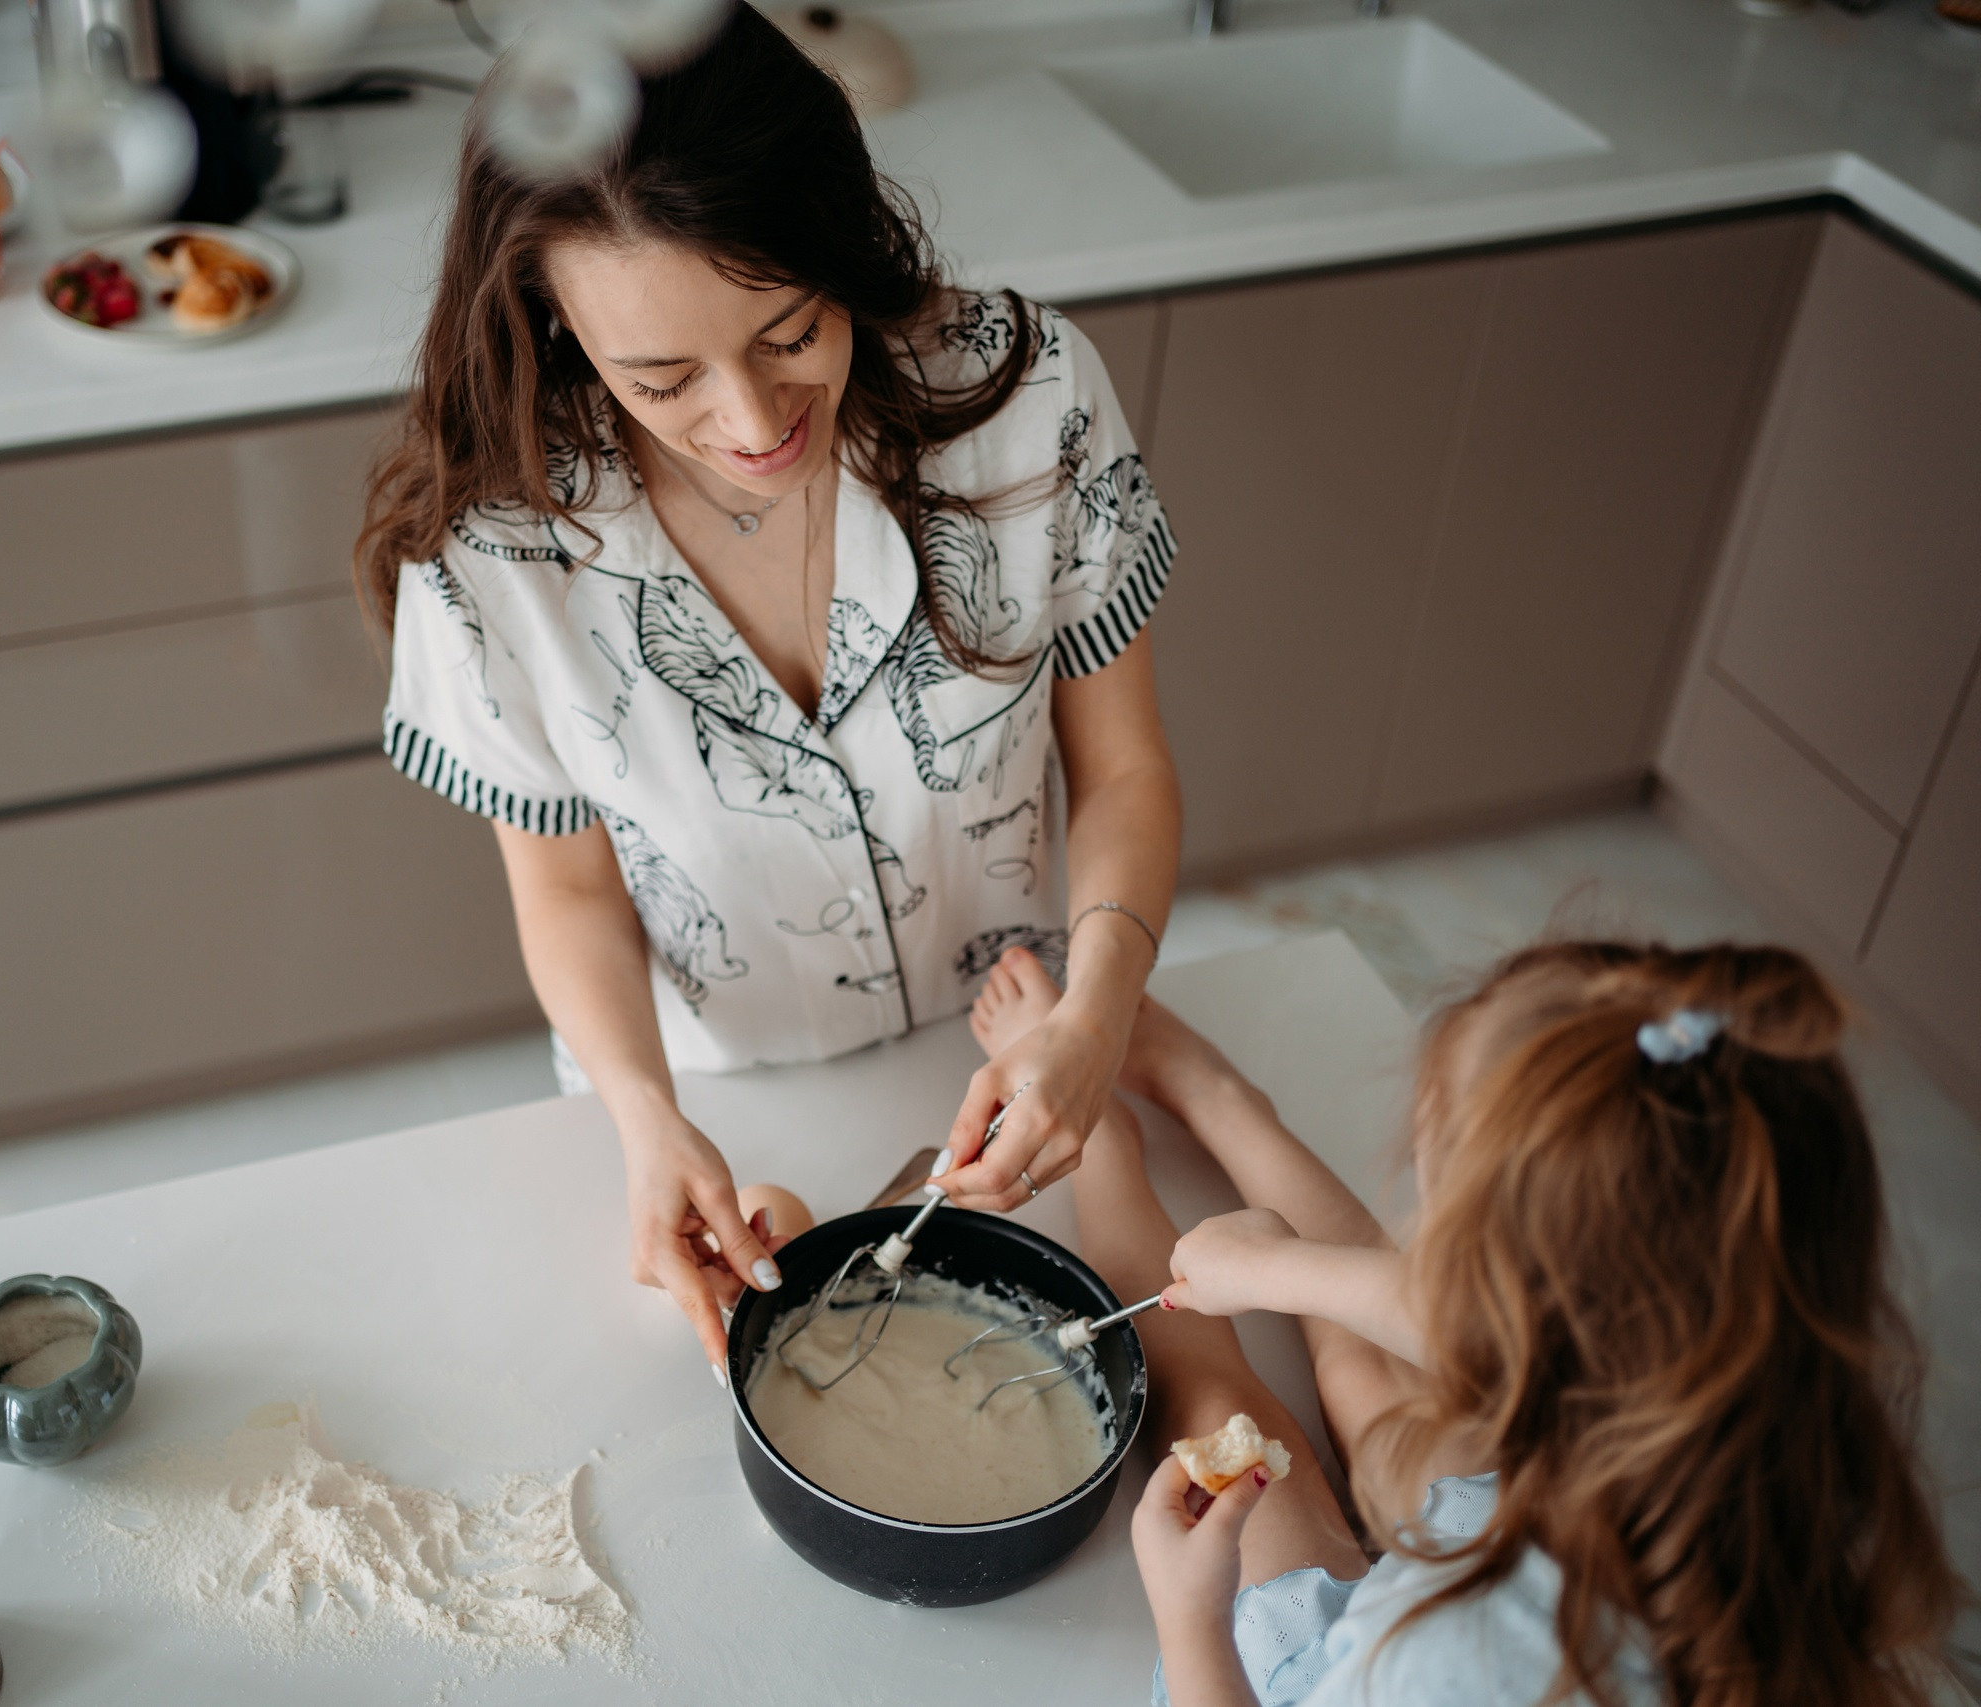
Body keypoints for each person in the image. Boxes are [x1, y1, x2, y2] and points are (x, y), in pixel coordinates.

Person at [361, 6, 1182, 1377]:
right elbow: (566, 894)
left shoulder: (1032, 402)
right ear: (556, 328)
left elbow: (1126, 772)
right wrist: (644, 1119)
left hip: (1024, 1056)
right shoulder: (496, 544)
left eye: (791, 330)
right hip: (705, 1112)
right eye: (661, 378)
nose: (750, 424)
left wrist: (1094, 1021)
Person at [963, 939, 1969, 1707]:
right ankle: (1220, 1097)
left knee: (1221, 1418)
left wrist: (1192, 1630)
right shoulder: (1771, 1418)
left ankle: (1104, 1147)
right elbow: (1461, 1325)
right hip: (1557, 1541)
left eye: (1438, 1231)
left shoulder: (1436, 1665)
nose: (1414, 1251)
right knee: (1370, 1378)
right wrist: (1281, 1267)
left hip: (1409, 1653)